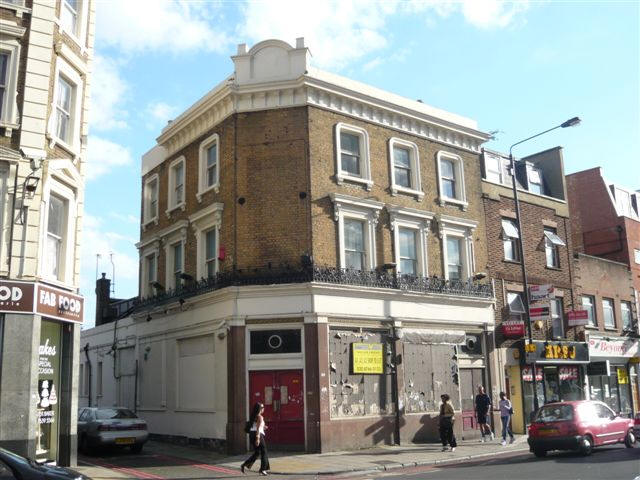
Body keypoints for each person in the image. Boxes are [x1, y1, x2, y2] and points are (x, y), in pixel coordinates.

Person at [241, 402, 270, 475]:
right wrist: (258, 438)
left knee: (257, 452)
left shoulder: (253, 416)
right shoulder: (260, 417)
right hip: (258, 434)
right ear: (260, 409)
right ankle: (263, 469)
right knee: (264, 451)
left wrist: (263, 427)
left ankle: (245, 464)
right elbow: (257, 428)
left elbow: (255, 426)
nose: (264, 409)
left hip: (251, 434)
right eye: (262, 407)